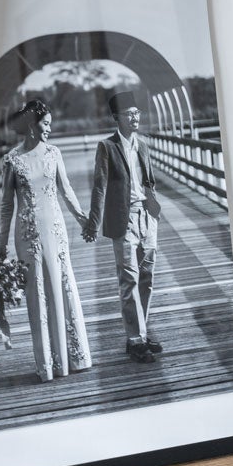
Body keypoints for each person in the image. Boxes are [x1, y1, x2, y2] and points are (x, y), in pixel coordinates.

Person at [0, 98, 94, 383]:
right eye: (46, 124)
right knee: (37, 294)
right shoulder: (12, 160)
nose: (50, 128)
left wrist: (83, 219)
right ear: (32, 126)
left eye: (50, 123)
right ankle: (48, 363)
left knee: (63, 286)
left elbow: (66, 189)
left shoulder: (54, 153)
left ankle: (75, 356)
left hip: (56, 231)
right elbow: (6, 206)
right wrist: (1, 246)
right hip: (28, 237)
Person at [85, 89, 165, 362]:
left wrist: (154, 209)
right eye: (129, 114)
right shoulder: (106, 147)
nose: (134, 117)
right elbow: (99, 187)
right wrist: (93, 222)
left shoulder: (141, 144)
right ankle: (135, 339)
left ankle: (141, 333)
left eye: (136, 113)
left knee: (147, 278)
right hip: (124, 220)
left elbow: (149, 181)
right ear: (116, 118)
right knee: (128, 279)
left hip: (147, 218)